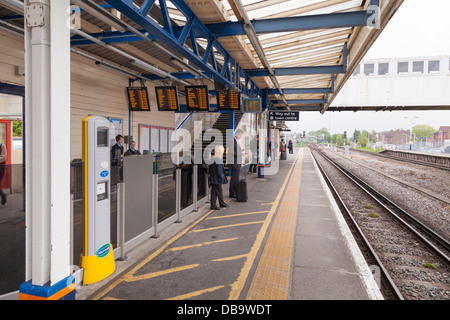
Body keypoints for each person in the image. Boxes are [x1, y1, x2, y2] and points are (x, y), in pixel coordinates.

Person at [209, 145, 228, 210]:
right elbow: (220, 172)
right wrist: (223, 178)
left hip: (213, 178)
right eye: (222, 151)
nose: (223, 152)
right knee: (219, 191)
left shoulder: (213, 159)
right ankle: (221, 203)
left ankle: (214, 205)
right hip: (217, 179)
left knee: (214, 192)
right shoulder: (218, 160)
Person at [229, 128, 243, 198]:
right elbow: (231, 152)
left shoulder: (236, 141)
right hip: (234, 163)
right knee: (234, 179)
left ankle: (234, 191)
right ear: (237, 134)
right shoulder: (232, 141)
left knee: (236, 178)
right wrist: (240, 153)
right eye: (241, 135)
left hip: (237, 163)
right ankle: (232, 193)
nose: (241, 137)